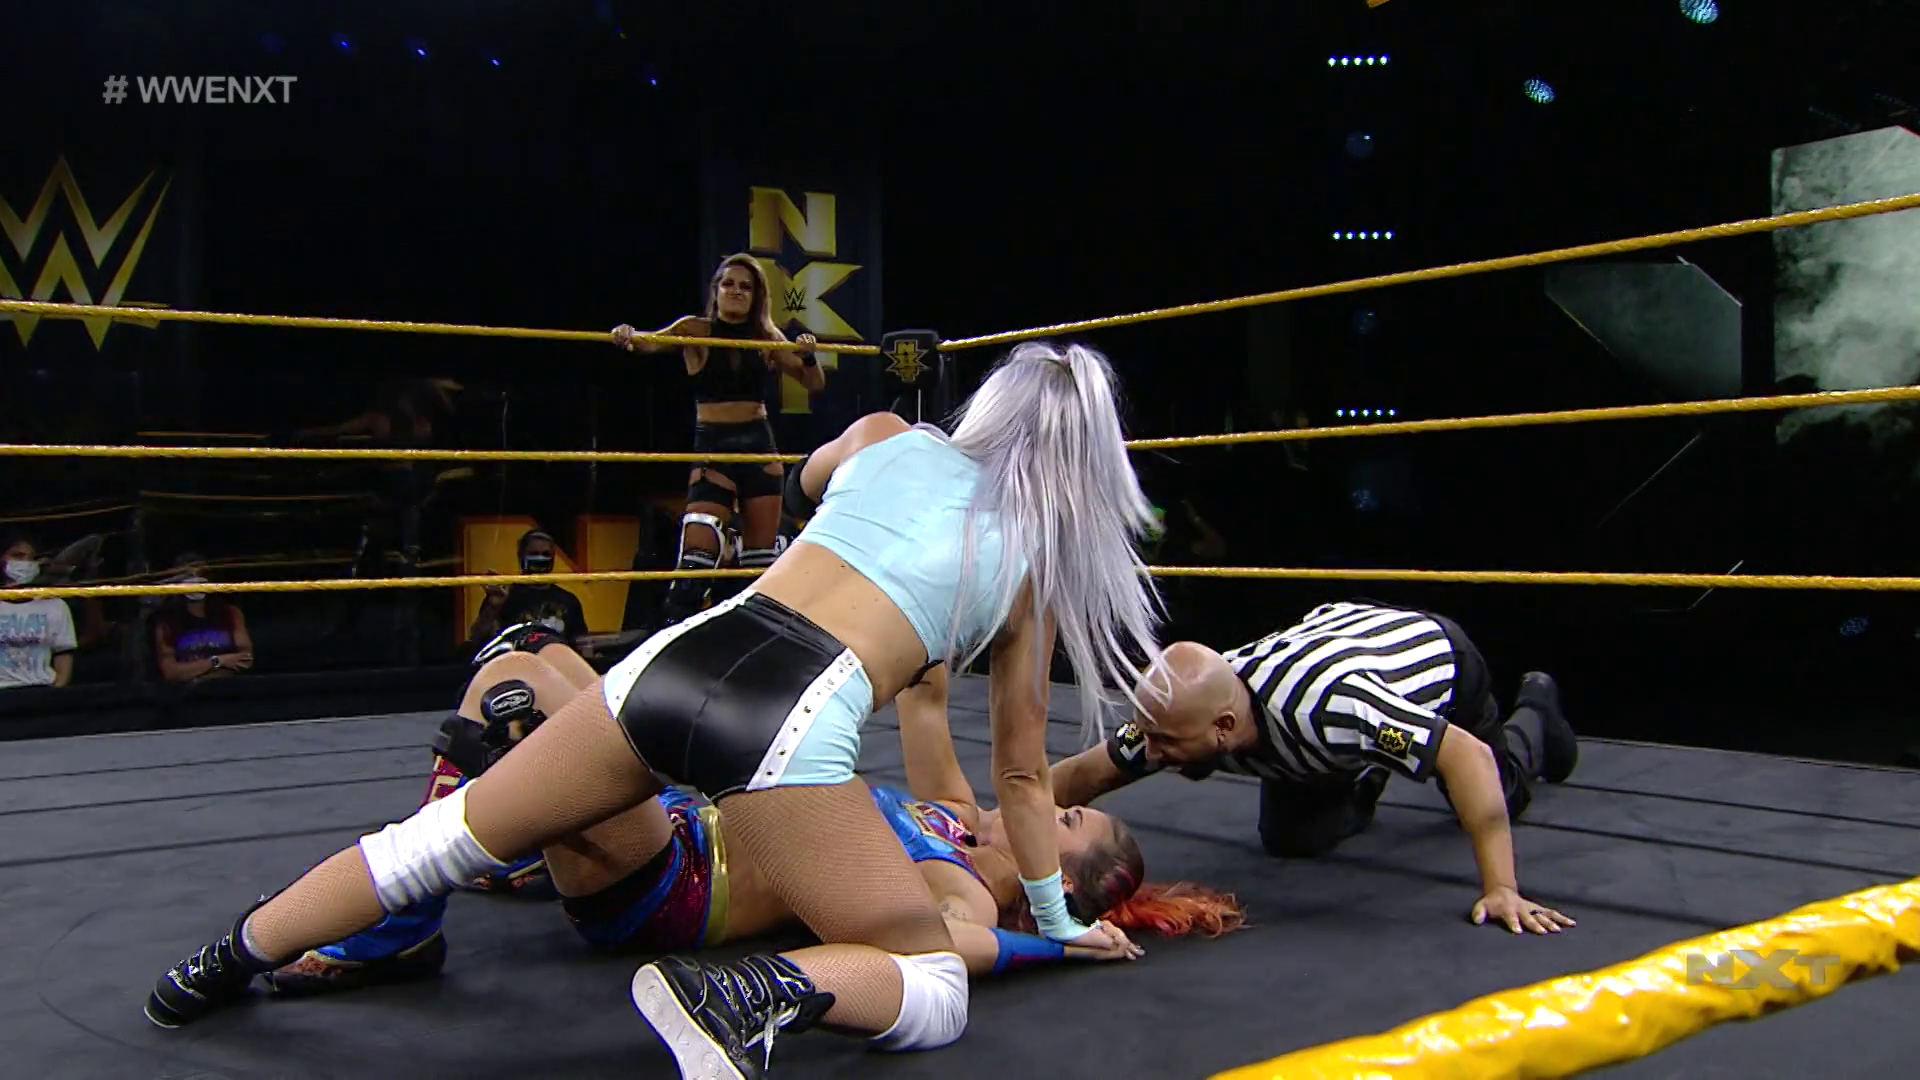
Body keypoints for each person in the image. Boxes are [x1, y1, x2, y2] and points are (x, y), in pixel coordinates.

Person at [147, 341, 1165, 1080]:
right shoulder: (1033, 568)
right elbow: (1020, 777)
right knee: (936, 985)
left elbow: (807, 480)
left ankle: (219, 960)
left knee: (436, 843)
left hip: (675, 659)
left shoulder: (888, 437)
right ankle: (765, 990)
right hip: (790, 715)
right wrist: (1057, 920)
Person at [269, 647, 1240, 995]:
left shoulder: (960, 894)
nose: (1042, 811)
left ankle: (402, 928)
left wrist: (1056, 946)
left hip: (664, 886)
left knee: (518, 706)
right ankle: (507, 846)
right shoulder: (952, 818)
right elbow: (929, 698)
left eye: (1065, 822)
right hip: (683, 814)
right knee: (540, 663)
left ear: (1053, 882)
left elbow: (953, 953)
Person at [1048, 600, 1582, 935]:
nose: (1153, 751)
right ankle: (1367, 768)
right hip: (1333, 660)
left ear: (1224, 728)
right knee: (1294, 838)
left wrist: (1501, 887)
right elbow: (1082, 776)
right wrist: (1006, 833)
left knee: (1503, 790)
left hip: (1432, 658)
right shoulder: (1176, 712)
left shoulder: (1333, 709)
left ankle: (1537, 712)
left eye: (1166, 742)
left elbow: (1468, 756)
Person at [610, 253, 825, 625]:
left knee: (759, 566)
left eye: (745, 287)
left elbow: (814, 382)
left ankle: (749, 646)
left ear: (756, 296)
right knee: (696, 561)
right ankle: (677, 640)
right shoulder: (696, 329)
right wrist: (627, 335)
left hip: (759, 448)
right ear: (716, 290)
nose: (736, 292)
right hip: (714, 445)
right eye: (729, 284)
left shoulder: (766, 337)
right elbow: (649, 343)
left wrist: (808, 356)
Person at [467, 529, 589, 650]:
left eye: (546, 554)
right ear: (520, 556)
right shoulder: (503, 596)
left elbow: (581, 644)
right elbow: (476, 639)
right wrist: (493, 607)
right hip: (516, 660)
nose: (540, 558)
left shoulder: (568, 601)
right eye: (534, 553)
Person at [153, 555, 256, 682]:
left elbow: (245, 659)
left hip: (227, 687)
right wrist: (218, 661)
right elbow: (170, 671)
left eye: (199, 572)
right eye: (187, 574)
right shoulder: (167, 622)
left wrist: (205, 677)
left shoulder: (230, 613)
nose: (194, 579)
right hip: (187, 691)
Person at [0, 534, 77, 690]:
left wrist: (57, 689)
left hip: (42, 690)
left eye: (32, 558)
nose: (26, 562)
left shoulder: (55, 606)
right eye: (18, 555)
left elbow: (63, 654)